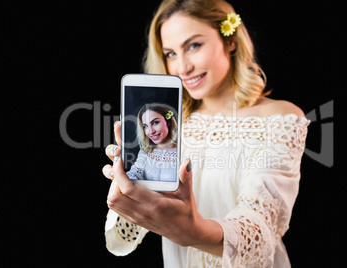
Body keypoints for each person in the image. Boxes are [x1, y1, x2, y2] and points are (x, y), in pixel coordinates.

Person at [102, 0, 310, 267]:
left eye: (193, 46)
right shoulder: (170, 129)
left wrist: (194, 231)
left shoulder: (279, 117)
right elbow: (122, 238)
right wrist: (131, 181)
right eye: (171, 54)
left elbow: (261, 229)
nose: (183, 67)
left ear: (230, 41)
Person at [124, 103, 178, 182]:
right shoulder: (146, 150)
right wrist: (121, 176)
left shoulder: (183, 150)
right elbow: (135, 173)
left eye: (155, 122)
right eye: (145, 126)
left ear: (168, 122)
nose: (151, 131)